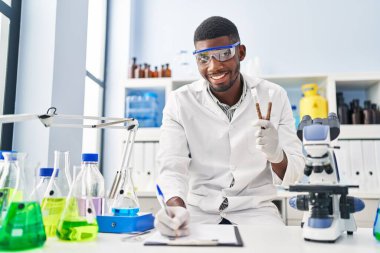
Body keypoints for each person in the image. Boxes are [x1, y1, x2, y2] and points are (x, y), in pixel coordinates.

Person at [154, 16, 304, 237]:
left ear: (241, 52)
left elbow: (294, 175)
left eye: (225, 54)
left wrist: (276, 154)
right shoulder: (180, 102)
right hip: (197, 211)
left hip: (256, 212)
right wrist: (176, 208)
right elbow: (171, 167)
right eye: (203, 58)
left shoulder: (273, 95)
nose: (214, 66)